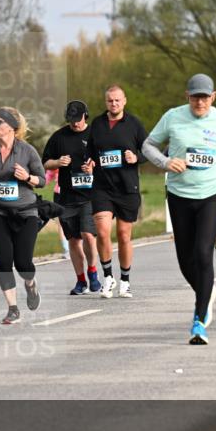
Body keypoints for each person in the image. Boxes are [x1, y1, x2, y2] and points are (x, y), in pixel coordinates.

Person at [142, 74, 216, 344]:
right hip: (179, 195)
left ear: (213, 97)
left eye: (204, 97)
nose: (199, 102)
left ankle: (199, 320)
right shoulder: (173, 117)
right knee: (185, 259)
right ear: (187, 96)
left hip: (211, 193)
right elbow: (147, 145)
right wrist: (166, 162)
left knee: (203, 254)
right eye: (195, 97)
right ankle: (207, 290)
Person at [0, 107, 46, 324]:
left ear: (12, 127)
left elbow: (42, 180)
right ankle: (13, 308)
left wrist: (27, 177)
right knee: (4, 261)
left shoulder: (27, 151)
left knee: (23, 263)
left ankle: (31, 285)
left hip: (25, 212)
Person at [86, 85, 148, 298]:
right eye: (110, 100)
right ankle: (108, 277)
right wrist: (90, 164)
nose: (114, 104)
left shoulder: (133, 124)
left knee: (123, 235)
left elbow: (148, 150)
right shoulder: (97, 124)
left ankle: (125, 280)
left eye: (117, 100)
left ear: (124, 101)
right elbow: (90, 153)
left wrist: (136, 158)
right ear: (106, 102)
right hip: (102, 187)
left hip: (127, 187)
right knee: (102, 232)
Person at [43, 100, 101, 295]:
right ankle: (81, 280)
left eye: (78, 119)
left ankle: (93, 273)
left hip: (89, 195)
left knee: (88, 236)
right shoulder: (59, 137)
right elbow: (45, 163)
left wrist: (93, 166)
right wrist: (58, 162)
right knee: (74, 241)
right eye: (71, 120)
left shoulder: (95, 134)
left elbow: (105, 160)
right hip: (66, 197)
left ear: (86, 115)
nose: (75, 123)